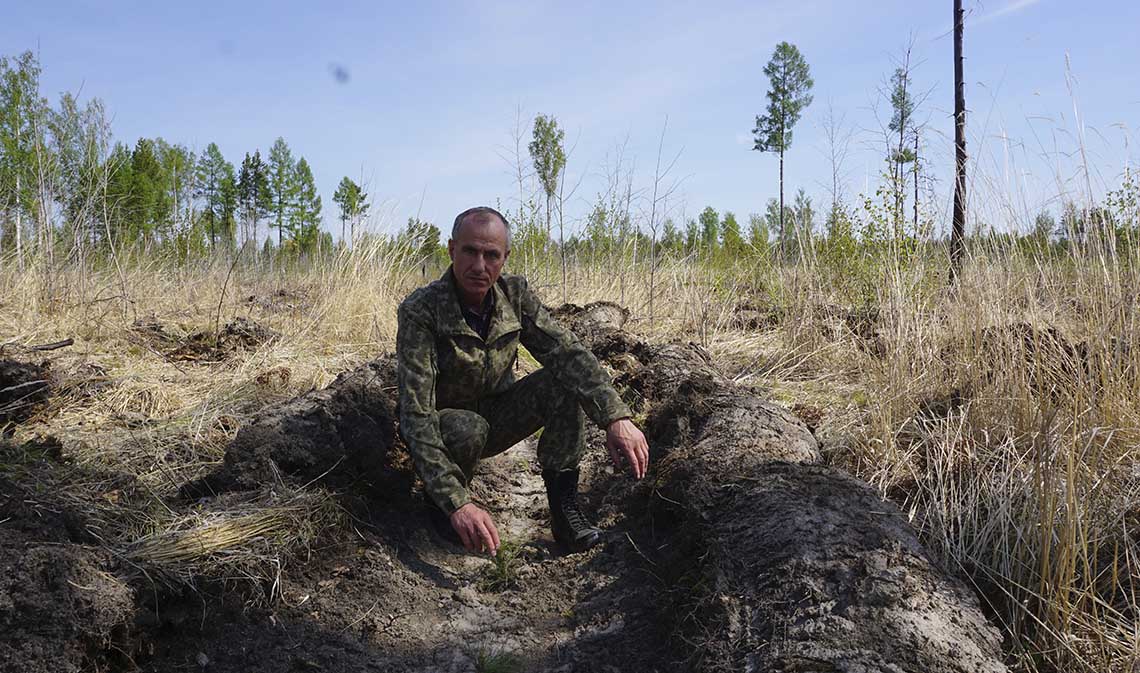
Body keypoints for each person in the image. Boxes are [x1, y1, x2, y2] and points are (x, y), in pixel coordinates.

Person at [396, 206, 649, 556]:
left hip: (499, 415)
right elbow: (416, 414)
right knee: (468, 428)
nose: (480, 266)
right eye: (470, 251)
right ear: (452, 249)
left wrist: (616, 418)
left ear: (505, 258)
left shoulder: (514, 296)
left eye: (491, 255)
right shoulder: (421, 310)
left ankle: (564, 512)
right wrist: (457, 503)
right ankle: (440, 506)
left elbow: (566, 353)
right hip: (449, 428)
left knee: (562, 382)